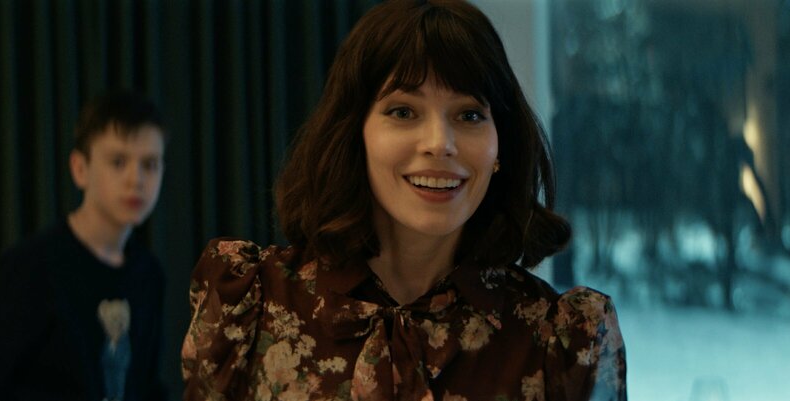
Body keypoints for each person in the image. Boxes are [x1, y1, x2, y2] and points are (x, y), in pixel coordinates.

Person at [181, 0, 626, 399]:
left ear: (500, 147)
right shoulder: (250, 305)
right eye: (403, 111)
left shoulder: (562, 342)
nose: (439, 143)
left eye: (469, 114)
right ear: (354, 134)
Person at [0, 90, 168, 401]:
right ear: (80, 169)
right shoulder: (32, 267)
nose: (137, 179)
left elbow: (147, 387)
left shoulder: (149, 274)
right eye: (118, 162)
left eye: (150, 164)